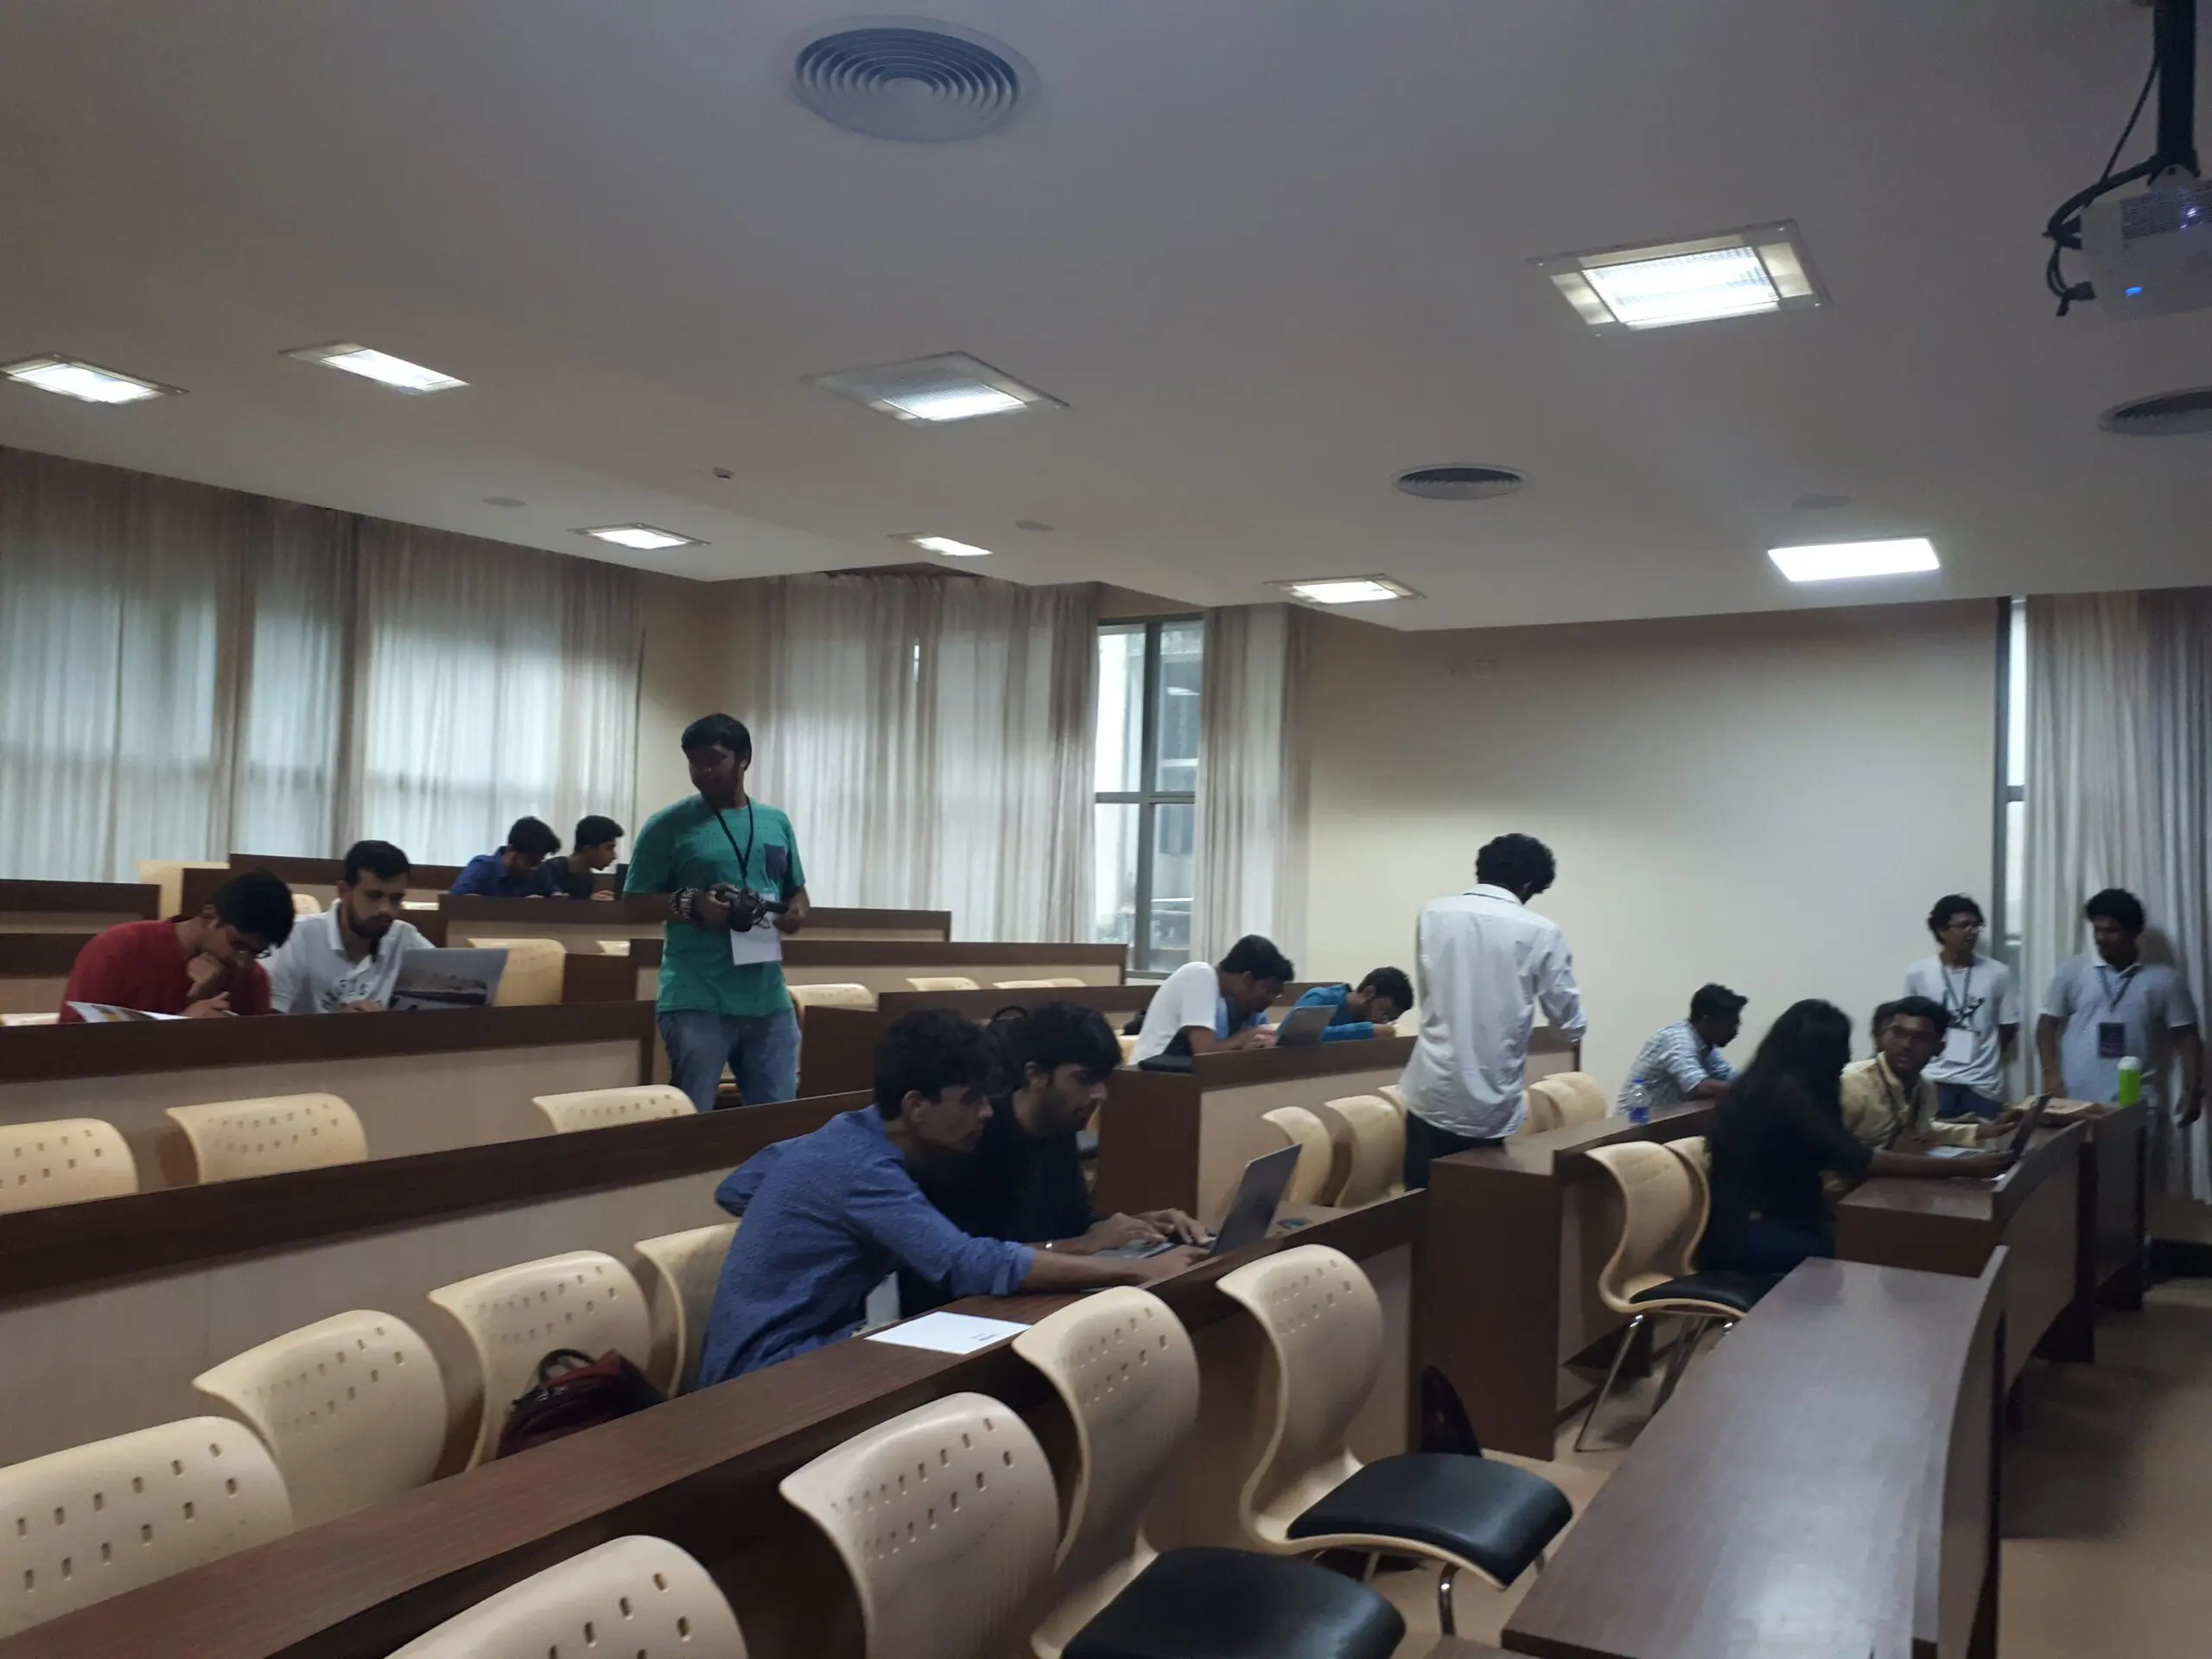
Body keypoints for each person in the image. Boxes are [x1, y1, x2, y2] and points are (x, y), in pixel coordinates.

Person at [696, 1010, 1203, 1382]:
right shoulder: (860, 1167)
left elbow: (737, 1186)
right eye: (972, 1100)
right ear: (916, 1106)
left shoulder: (846, 1135)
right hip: (764, 1371)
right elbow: (967, 1263)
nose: (987, 1113)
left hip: (818, 1344)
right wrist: (1133, 1271)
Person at [901, 1002, 1207, 1312]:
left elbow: (1078, 1223)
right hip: (970, 1311)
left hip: (1040, 1298)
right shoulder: (970, 1135)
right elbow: (971, 1264)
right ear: (1035, 1075)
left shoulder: (1058, 1127)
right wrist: (1083, 1246)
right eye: (1084, 1080)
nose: (1100, 1095)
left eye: (1103, 1080)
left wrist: (1143, 1227)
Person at [1703, 999, 2012, 1275]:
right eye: (1839, 1047)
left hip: (1788, 1217)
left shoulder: (1780, 1086)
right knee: (1870, 1251)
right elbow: (1859, 1158)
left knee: (1892, 1243)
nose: (1846, 1057)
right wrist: (1966, 1167)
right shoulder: (1785, 1095)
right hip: (1749, 1231)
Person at [625, 715, 811, 1109]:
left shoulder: (775, 822)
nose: (703, 771)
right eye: (694, 762)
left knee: (779, 1121)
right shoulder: (667, 826)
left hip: (768, 998)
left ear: (744, 758)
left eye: (714, 759)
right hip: (697, 998)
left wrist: (796, 911)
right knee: (694, 1121)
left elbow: (795, 889)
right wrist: (694, 905)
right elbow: (634, 903)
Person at [1399, 833, 1587, 1187]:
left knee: (1420, 1203)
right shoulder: (1541, 932)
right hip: (1490, 1099)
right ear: (1527, 884)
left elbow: (1429, 991)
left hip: (1431, 1088)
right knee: (1477, 1205)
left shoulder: (1433, 913)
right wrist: (1574, 1030)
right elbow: (1566, 1019)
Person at [2038, 887, 2204, 1121]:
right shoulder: (2072, 971)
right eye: (2097, 929)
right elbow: (2046, 1025)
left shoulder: (2165, 979)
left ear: (2135, 931)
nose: (2101, 938)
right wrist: (2051, 1076)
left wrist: (2192, 1091)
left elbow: (2187, 1036)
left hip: (2137, 1102)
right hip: (2075, 1101)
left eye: (2112, 931)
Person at [58, 869, 294, 1020]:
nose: (243, 962)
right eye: (238, 945)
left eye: (256, 952)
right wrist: (182, 1026)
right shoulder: (120, 948)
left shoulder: (253, 978)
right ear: (210, 917)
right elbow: (72, 1042)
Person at [1838, 997, 2011, 1174]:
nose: (1906, 1045)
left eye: (1920, 1038)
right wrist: (1966, 1167)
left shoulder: (1925, 1088)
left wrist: (1980, 1131)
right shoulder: (1853, 1083)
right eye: (1898, 1033)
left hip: (1883, 1183)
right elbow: (1835, 1152)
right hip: (1843, 1187)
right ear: (1882, 1038)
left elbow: (1922, 1131)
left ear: (1939, 1048)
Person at [264, 841, 435, 1014]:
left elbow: (447, 990)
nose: (386, 909)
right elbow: (267, 1023)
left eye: (395, 899)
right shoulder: (295, 937)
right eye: (374, 896)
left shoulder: (404, 938)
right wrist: (340, 1024)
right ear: (343, 891)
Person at [1903, 894, 2019, 1120]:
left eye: (1976, 926)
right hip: (1933, 1080)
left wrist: (1982, 1053)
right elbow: (1910, 1027)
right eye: (1964, 925)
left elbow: (2008, 1027)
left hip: (1982, 1083)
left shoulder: (1998, 973)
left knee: (1987, 1139)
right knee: (1931, 1139)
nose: (1972, 932)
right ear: (1941, 930)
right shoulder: (1917, 973)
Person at [1131, 934, 1292, 1064]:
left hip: (1176, 1074)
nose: (1271, 999)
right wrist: (1245, 1038)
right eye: (1269, 991)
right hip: (1150, 1073)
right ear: (1247, 978)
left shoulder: (1224, 999)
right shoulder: (1201, 975)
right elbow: (1204, 1054)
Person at [1617, 983, 1745, 1111]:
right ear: (1708, 1021)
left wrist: (1752, 1083)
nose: (1735, 1033)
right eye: (1731, 1026)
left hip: (1666, 1121)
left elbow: (1728, 1075)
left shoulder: (1705, 1046)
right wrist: (1748, 1090)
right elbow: (1699, 1086)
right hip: (1634, 1122)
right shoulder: (1678, 1040)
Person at [1290, 967, 1414, 1043]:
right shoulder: (1321, 997)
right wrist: (1367, 1031)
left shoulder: (1365, 1020)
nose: (1383, 1021)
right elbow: (1296, 1036)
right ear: (1369, 992)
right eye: (1384, 1012)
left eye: (1390, 1019)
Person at [449, 817, 562, 898]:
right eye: (530, 861)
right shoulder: (482, 867)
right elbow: (455, 901)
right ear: (510, 850)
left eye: (539, 862)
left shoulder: (540, 873)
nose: (534, 868)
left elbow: (555, 895)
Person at [539, 814, 625, 900]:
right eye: (609, 848)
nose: (614, 856)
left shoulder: (587, 878)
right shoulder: (550, 870)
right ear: (589, 849)